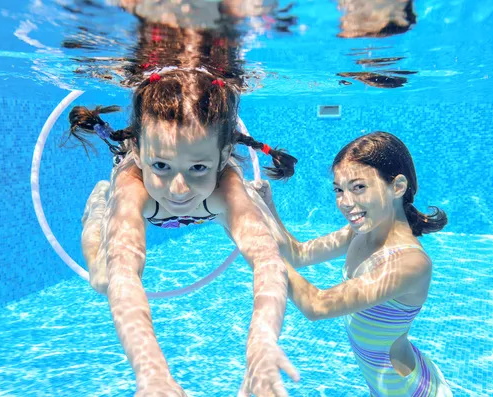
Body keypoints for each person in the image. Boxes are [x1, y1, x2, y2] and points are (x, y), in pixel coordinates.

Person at [69, 68, 300, 397]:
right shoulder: (134, 186)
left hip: (214, 201)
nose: (178, 189)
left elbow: (268, 262)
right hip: (137, 204)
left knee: (278, 247)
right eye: (161, 166)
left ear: (221, 158)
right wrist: (152, 375)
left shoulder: (226, 187)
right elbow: (124, 274)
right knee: (103, 278)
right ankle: (97, 207)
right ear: (138, 151)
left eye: (198, 167)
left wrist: (262, 346)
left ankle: (258, 198)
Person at [253, 131, 453, 396]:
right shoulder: (359, 233)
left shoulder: (411, 262)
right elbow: (298, 254)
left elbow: (318, 305)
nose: (345, 203)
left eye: (359, 187)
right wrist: (267, 208)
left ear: (397, 187)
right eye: (339, 190)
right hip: (382, 381)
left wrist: (259, 253)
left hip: (405, 389)